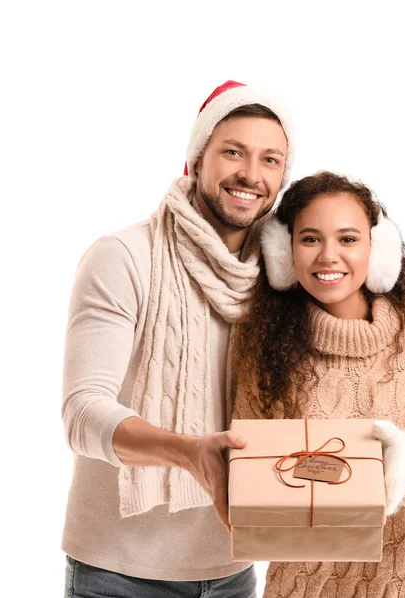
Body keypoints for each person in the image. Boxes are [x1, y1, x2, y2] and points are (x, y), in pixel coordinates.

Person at [61, 80, 294, 597]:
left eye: (270, 159)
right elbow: (82, 413)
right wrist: (188, 453)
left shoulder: (283, 279)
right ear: (197, 158)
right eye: (232, 152)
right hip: (118, 572)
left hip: (235, 568)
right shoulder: (124, 257)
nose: (251, 175)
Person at [231, 171, 405, 598]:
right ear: (283, 253)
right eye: (310, 239)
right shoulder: (263, 348)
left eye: (348, 239)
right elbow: (250, 474)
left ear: (378, 249)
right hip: (301, 589)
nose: (328, 256)